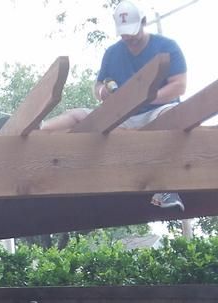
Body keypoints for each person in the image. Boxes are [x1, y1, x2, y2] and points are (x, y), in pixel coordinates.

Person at [38, 1, 188, 209]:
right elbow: (99, 85)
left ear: (143, 22)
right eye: (124, 36)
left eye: (133, 35)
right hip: (122, 118)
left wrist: (145, 98)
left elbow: (179, 87)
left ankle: (166, 187)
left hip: (158, 112)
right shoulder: (112, 53)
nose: (129, 40)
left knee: (176, 116)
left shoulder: (167, 47)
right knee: (81, 116)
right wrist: (103, 92)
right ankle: (38, 130)